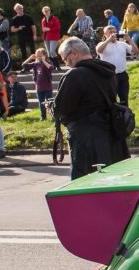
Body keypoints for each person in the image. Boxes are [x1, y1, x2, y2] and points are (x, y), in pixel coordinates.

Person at [54, 36, 129, 178]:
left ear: (74, 53)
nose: (66, 64)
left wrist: (52, 108)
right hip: (111, 134)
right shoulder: (108, 71)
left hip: (85, 140)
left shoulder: (75, 75)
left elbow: (61, 110)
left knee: (86, 184)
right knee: (111, 181)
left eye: (65, 59)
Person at [96, 25, 136, 105]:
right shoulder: (102, 44)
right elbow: (99, 50)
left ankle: (125, 116)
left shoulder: (122, 44)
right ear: (105, 34)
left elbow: (135, 51)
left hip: (122, 75)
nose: (113, 34)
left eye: (114, 32)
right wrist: (109, 40)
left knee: (124, 98)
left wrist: (129, 40)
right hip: (109, 76)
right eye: (110, 32)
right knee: (110, 99)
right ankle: (112, 116)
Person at [22, 47, 55, 120]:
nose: (39, 57)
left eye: (40, 55)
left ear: (44, 55)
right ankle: (43, 117)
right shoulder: (35, 64)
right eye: (37, 56)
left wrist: (44, 60)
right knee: (41, 103)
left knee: (49, 102)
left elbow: (51, 68)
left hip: (47, 87)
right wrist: (30, 58)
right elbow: (24, 65)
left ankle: (53, 116)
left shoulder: (48, 62)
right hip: (39, 87)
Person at [40, 6, 62, 70]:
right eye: (45, 11)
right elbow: (43, 28)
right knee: (49, 53)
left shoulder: (54, 19)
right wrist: (44, 29)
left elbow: (58, 28)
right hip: (46, 37)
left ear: (50, 11)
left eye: (47, 10)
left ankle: (58, 66)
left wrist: (49, 29)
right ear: (43, 12)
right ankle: (53, 66)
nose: (46, 12)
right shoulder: (43, 20)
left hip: (54, 37)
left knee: (52, 51)